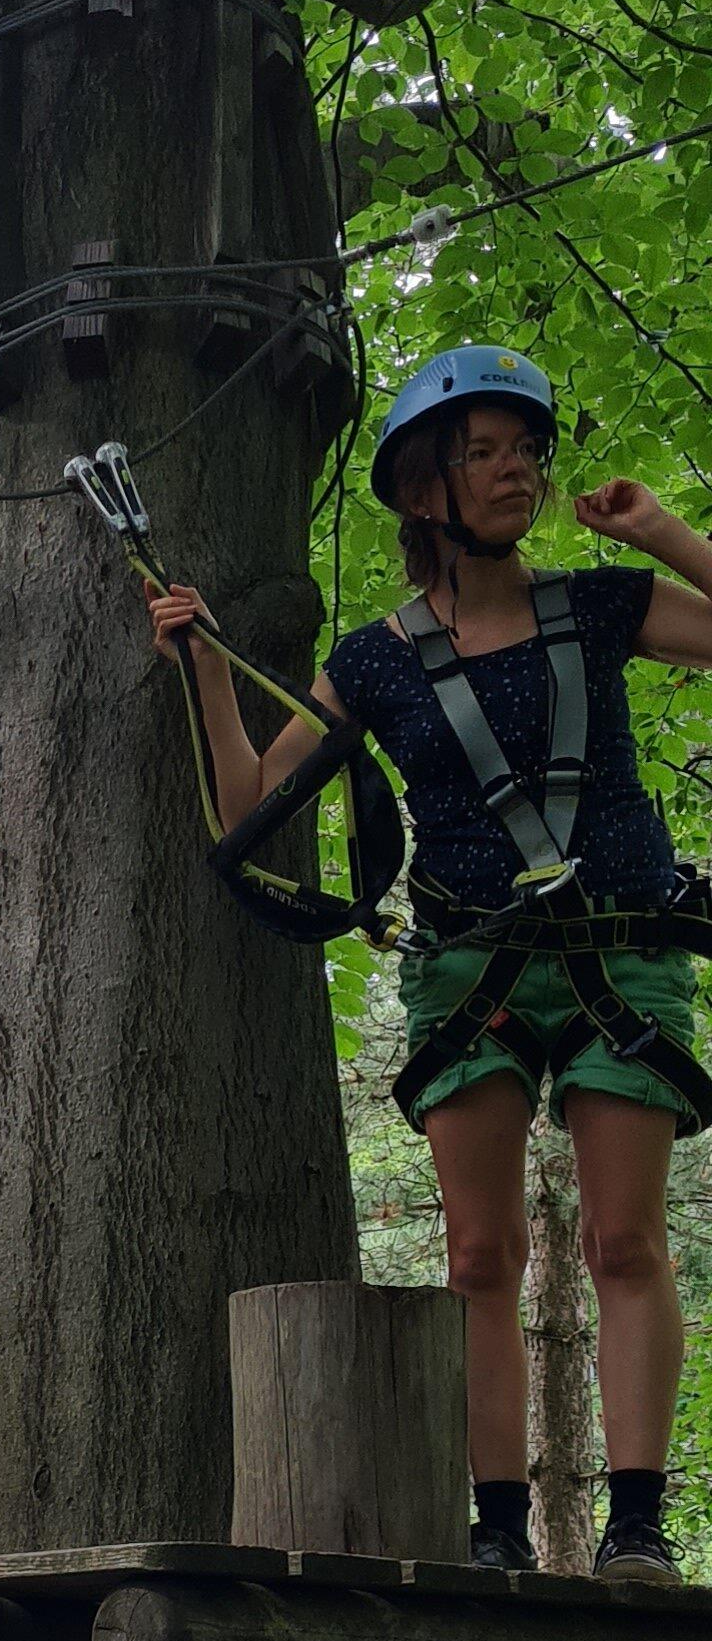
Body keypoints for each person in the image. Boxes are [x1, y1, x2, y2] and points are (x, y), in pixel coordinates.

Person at [146, 347, 712, 1575]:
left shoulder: (604, 604)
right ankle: (498, 1529)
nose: (519, 471)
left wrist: (665, 530)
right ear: (421, 490)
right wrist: (203, 663)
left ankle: (638, 1527)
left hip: (627, 954)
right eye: (487, 453)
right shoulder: (375, 663)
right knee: (478, 1256)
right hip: (472, 972)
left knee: (626, 1242)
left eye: (527, 451)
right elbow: (249, 798)